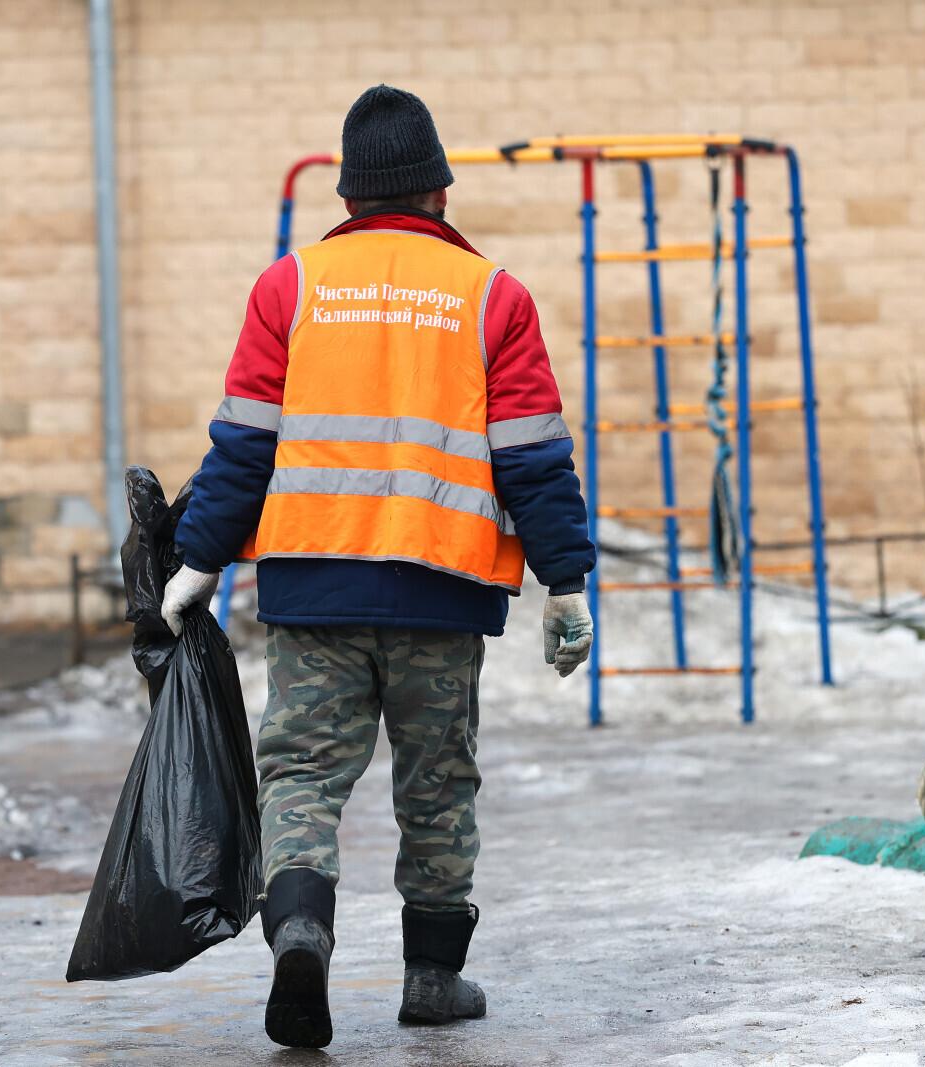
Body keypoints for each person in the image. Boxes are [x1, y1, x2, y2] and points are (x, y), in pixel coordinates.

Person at [161, 84, 596, 1049]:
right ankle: (434, 979)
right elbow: (532, 455)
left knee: (305, 772)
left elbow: (245, 446)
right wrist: (566, 580)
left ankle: (302, 935)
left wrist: (198, 563)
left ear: (349, 196)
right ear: (438, 191)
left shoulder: (292, 288)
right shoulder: (493, 295)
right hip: (444, 591)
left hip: (316, 588)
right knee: (437, 782)